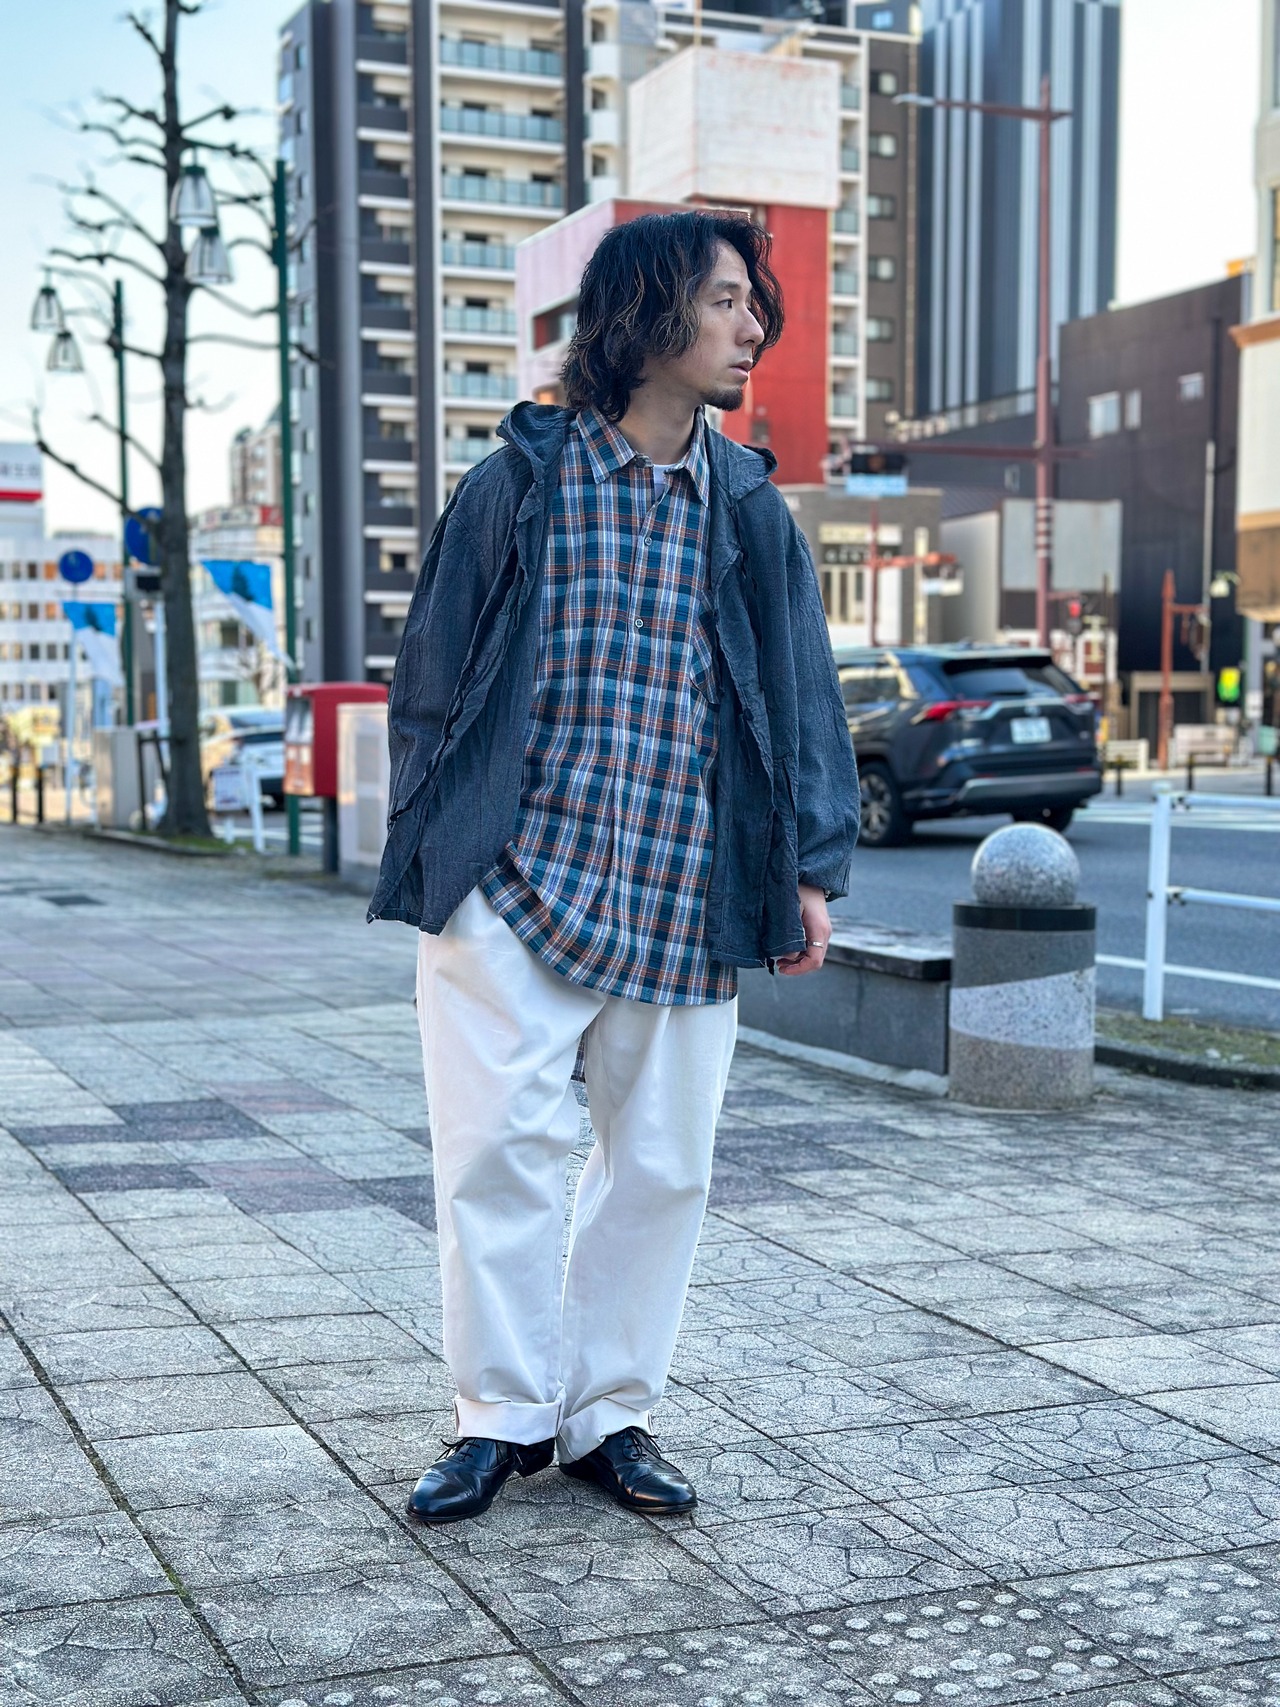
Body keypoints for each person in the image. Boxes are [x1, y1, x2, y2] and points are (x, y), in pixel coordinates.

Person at [369, 209, 860, 1523]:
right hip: (514, 880)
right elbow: (433, 676)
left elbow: (802, 699)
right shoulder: (520, 481)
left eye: (756, 305)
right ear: (645, 315)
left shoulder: (748, 506)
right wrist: (440, 845)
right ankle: (498, 1417)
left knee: (662, 1166)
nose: (752, 328)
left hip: (688, 884)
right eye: (725, 301)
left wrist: (808, 869)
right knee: (496, 1158)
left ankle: (608, 1415)